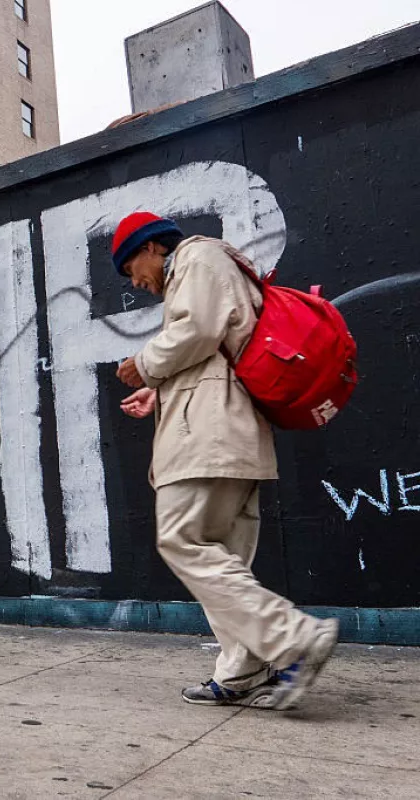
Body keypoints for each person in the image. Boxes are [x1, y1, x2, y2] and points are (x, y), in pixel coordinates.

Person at [111, 211, 338, 710]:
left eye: (132, 269)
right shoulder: (208, 268)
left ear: (151, 247)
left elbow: (196, 331)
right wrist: (159, 390)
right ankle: (242, 669)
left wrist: (144, 366)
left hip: (210, 439)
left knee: (183, 540)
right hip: (230, 433)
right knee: (225, 560)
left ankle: (294, 638)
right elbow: (216, 347)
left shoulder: (197, 256)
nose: (137, 283)